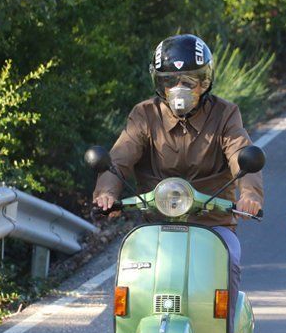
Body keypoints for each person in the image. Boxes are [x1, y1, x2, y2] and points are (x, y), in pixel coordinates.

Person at [93, 34, 263, 310]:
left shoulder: (226, 114)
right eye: (170, 81)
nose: (179, 88)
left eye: (189, 80)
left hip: (213, 222)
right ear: (159, 83)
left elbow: (240, 153)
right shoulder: (144, 115)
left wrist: (250, 195)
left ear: (205, 81)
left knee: (229, 261)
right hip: (155, 223)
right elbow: (120, 157)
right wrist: (106, 194)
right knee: (129, 274)